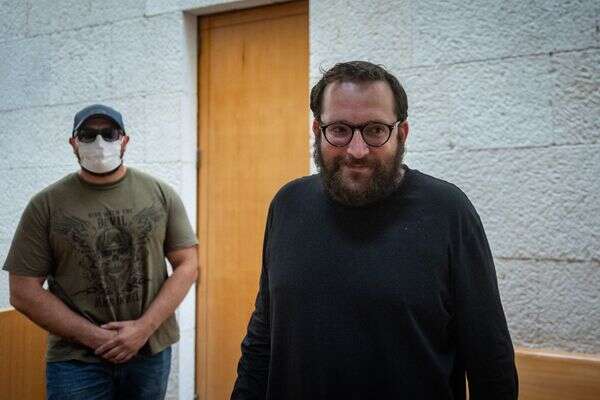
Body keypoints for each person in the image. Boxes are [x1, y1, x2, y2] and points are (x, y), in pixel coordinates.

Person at [231, 61, 518, 399]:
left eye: (375, 130)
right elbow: (263, 337)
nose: (357, 150)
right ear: (317, 130)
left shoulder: (448, 211)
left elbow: (490, 360)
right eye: (339, 129)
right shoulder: (287, 205)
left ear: (401, 133)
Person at [3, 104, 199, 400]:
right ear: (73, 142)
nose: (99, 143)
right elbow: (23, 291)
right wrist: (95, 337)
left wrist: (143, 328)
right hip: (76, 361)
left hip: (148, 350)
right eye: (88, 134)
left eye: (109, 134)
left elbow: (188, 263)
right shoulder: (46, 205)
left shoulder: (160, 194)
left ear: (125, 140)